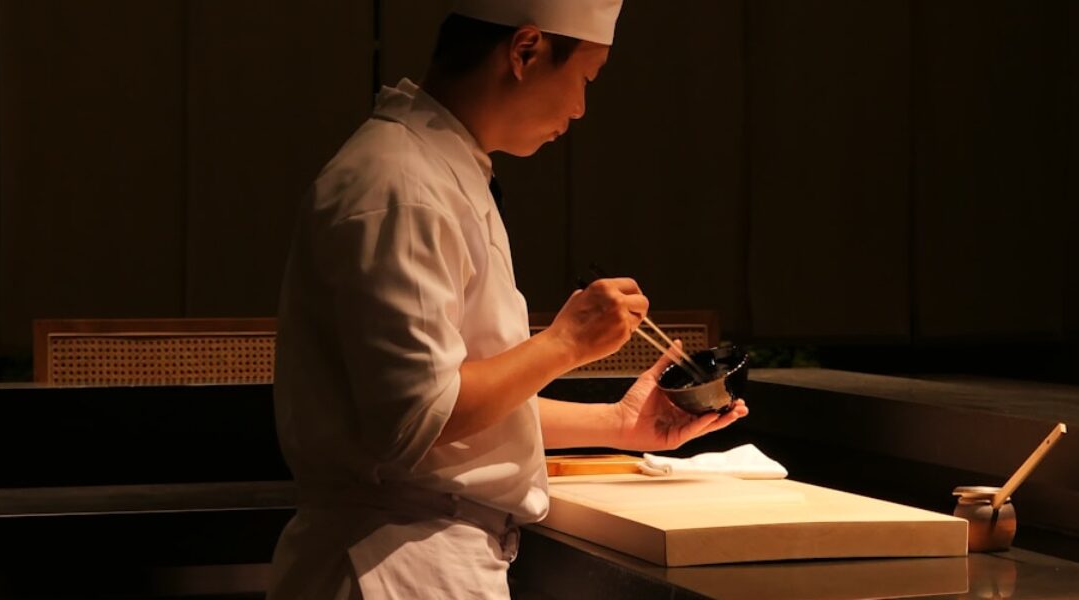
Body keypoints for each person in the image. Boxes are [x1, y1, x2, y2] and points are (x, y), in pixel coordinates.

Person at [266, 1, 748, 597]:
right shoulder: (402, 181)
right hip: (395, 567)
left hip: (423, 556)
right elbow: (416, 418)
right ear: (525, 52)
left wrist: (617, 424)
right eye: (584, 78)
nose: (579, 108)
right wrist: (565, 343)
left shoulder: (440, 169)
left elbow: (456, 399)